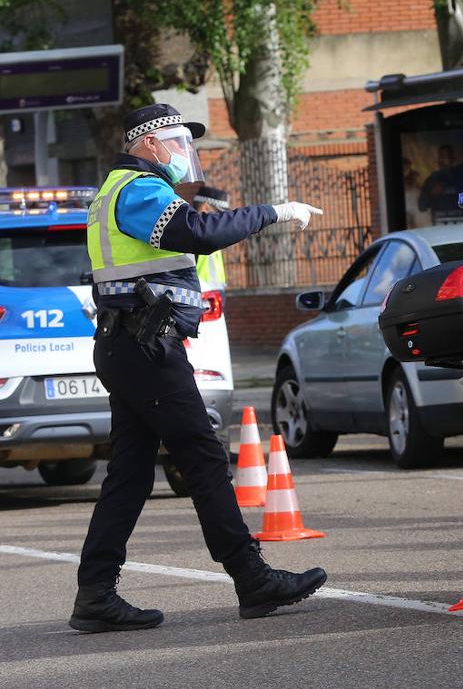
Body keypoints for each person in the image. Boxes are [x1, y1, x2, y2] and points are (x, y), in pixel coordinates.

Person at [71, 103, 327, 633]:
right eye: (177, 141)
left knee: (131, 474)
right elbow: (195, 233)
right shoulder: (138, 189)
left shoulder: (116, 190)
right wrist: (274, 211)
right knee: (205, 458)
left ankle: (96, 593)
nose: (184, 153)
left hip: (130, 346)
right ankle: (251, 576)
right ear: (148, 144)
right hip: (145, 348)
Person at [188, 184, 230, 290]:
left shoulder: (211, 234)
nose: (222, 220)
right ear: (205, 208)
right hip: (203, 297)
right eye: (219, 214)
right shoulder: (192, 234)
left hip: (214, 296)